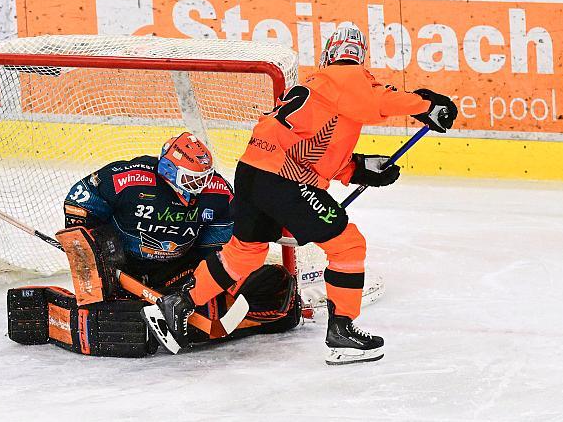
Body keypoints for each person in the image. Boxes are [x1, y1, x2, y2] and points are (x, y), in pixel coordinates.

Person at [144, 26, 458, 364]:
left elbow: (313, 153)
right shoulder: (347, 76)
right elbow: (378, 101)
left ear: (327, 54)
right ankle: (342, 330)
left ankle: (177, 303)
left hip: (253, 172)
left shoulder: (318, 89)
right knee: (347, 245)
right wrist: (427, 104)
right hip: (280, 179)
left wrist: (359, 168)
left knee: (244, 254)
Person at [7, 132, 299, 358]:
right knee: (104, 296)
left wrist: (204, 280)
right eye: (190, 179)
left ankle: (173, 303)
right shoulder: (129, 178)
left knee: (253, 294)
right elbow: (80, 199)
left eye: (203, 178)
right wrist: (90, 249)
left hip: (178, 269)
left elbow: (219, 248)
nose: (198, 186)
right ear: (169, 171)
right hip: (122, 265)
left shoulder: (218, 192)